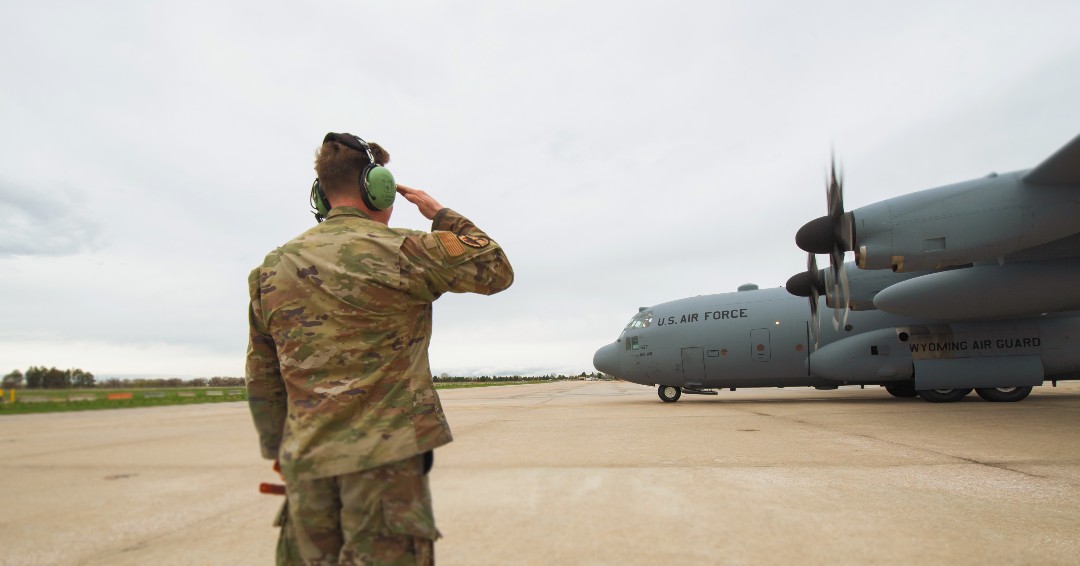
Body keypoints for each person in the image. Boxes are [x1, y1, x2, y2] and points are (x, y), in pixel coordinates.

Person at [245, 132, 514, 564]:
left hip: (306, 464)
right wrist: (440, 214)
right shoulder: (407, 249)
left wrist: (281, 451)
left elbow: (263, 376)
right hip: (386, 467)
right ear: (379, 188)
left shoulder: (271, 268)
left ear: (321, 195)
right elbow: (497, 268)